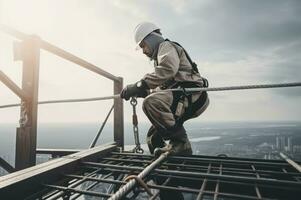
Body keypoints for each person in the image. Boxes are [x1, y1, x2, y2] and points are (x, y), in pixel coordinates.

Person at [120, 22, 209, 157]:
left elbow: (167, 70)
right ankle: (168, 161)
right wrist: (143, 91)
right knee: (153, 137)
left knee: (151, 103)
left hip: (191, 95)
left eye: (143, 45)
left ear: (151, 38)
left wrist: (140, 85)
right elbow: (164, 86)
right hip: (183, 96)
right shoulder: (161, 56)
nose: (143, 51)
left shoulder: (166, 46)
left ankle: (180, 144)